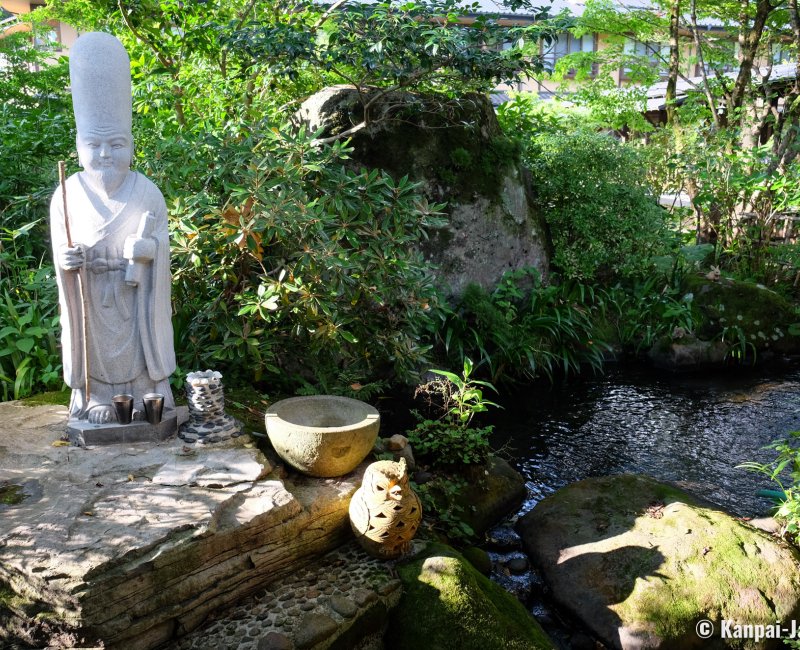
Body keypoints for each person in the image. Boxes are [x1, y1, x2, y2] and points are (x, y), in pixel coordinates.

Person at [51, 32, 175, 425]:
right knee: (96, 342)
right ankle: (98, 393)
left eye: (116, 144)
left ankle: (143, 388)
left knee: (139, 339)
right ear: (79, 145)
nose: (105, 154)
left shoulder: (147, 192)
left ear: (132, 144)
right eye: (94, 144)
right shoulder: (66, 194)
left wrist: (150, 250)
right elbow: (60, 249)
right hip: (91, 295)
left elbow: (162, 245)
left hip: (134, 297)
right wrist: (67, 260)